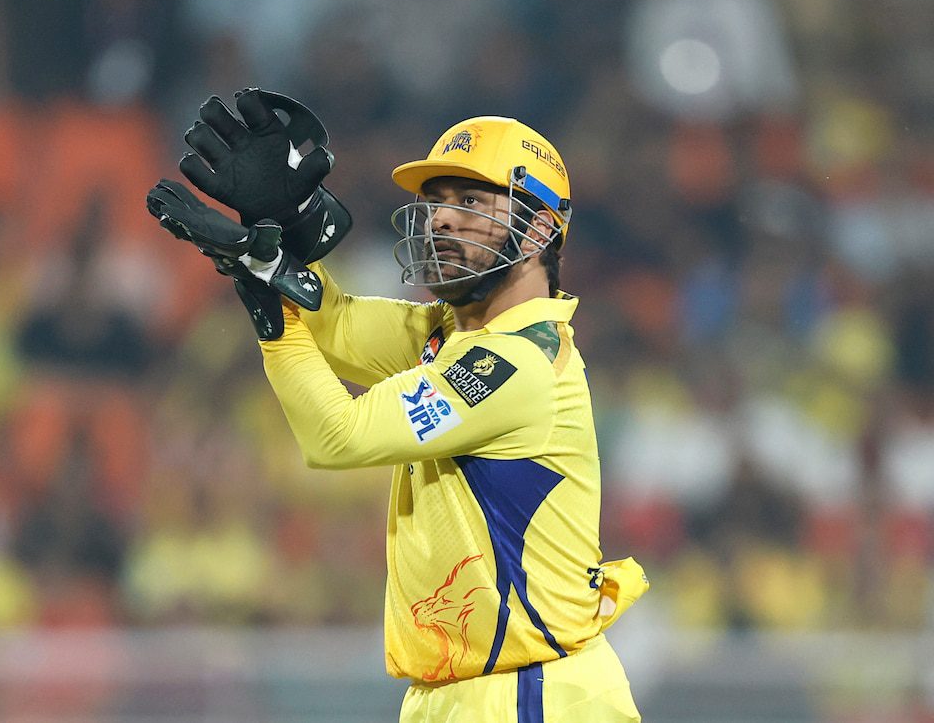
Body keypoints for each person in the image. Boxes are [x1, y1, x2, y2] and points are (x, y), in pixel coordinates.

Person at [147, 89, 648, 723]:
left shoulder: (517, 363)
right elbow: (335, 325)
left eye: (470, 202)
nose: (441, 220)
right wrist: (280, 230)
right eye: (436, 202)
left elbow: (338, 435)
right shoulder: (453, 335)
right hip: (471, 691)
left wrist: (265, 288)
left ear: (541, 228)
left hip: (532, 695)